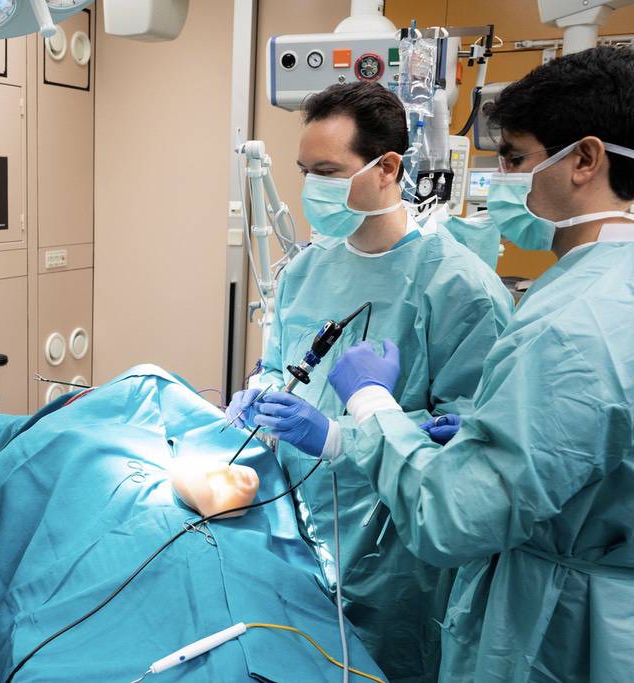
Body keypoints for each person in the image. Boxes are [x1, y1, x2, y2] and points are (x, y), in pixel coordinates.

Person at [272, 46, 634, 682]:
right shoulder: (597, 290)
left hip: (549, 613)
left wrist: (363, 415)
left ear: (584, 159)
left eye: (514, 159)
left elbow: (458, 512)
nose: (504, 181)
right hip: (309, 526)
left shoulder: (563, 317)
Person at [225, 82, 513, 683]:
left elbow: (471, 436)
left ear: (387, 168)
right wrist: (264, 391)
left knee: (382, 664)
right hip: (292, 517)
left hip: (393, 545)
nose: (311, 187)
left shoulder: (459, 288)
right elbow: (281, 361)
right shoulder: (306, 268)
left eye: (328, 172)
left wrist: (337, 436)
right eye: (305, 171)